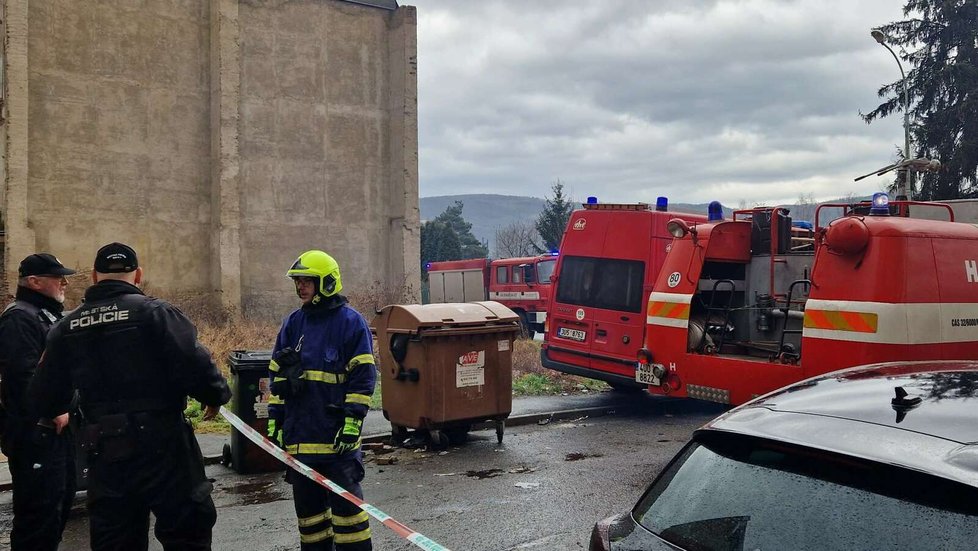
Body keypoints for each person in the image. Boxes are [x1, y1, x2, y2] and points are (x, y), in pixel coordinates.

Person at [29, 242, 231, 551]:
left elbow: (44, 397)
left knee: (115, 535)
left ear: (95, 277)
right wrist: (215, 394)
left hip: (105, 447)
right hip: (164, 443)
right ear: (138, 276)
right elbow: (196, 364)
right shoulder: (157, 313)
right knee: (186, 530)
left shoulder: (67, 327)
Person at [269, 250, 375, 550]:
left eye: (307, 281)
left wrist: (353, 420)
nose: (300, 287)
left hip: (337, 441)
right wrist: (275, 418)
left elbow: (364, 375)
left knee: (349, 521)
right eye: (298, 281)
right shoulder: (293, 324)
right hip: (301, 441)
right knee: (311, 523)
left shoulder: (350, 323)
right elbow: (275, 374)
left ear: (327, 283)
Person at [0, 253, 77, 550]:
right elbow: (22, 376)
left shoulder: (47, 314)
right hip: (36, 433)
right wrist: (53, 409)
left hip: (55, 432)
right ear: (34, 282)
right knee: (37, 518)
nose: (65, 283)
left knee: (58, 506)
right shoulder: (19, 317)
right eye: (58, 278)